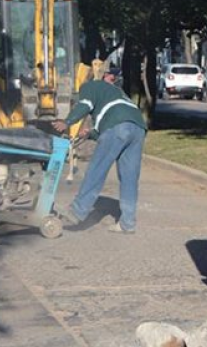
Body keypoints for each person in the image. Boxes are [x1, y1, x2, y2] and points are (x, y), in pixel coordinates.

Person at [51, 67, 147, 234]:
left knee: (97, 169)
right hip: (138, 128)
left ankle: (77, 211)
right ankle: (127, 223)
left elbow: (85, 105)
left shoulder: (91, 85)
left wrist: (67, 122)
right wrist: (91, 133)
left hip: (117, 125)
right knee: (129, 177)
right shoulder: (117, 92)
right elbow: (110, 124)